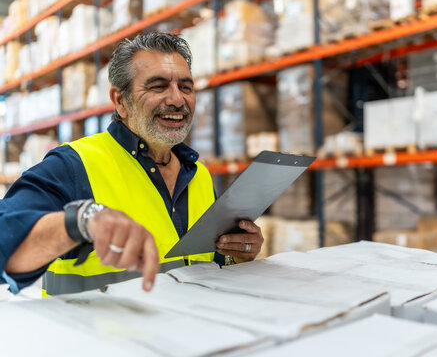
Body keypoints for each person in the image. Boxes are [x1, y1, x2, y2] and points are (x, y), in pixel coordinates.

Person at [0, 32, 264, 296]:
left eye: (186, 87)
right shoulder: (74, 165)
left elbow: (209, 265)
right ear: (120, 101)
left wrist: (236, 255)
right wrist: (78, 222)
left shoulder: (199, 175)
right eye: (158, 86)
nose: (177, 99)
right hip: (96, 336)